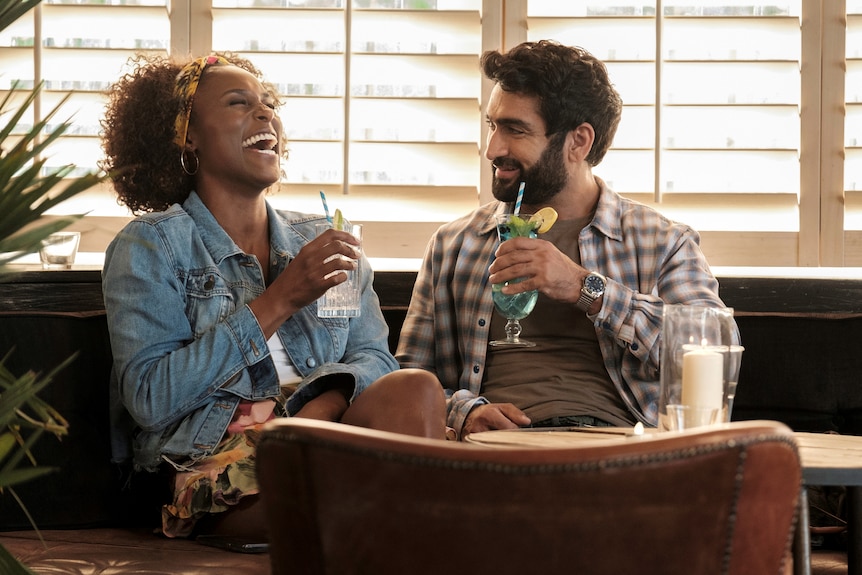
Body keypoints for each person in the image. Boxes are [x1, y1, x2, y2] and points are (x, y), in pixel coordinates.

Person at [99, 53, 446, 540]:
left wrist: (317, 413)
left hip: (329, 439)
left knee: (417, 389)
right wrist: (280, 299)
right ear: (188, 136)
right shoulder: (151, 245)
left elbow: (374, 359)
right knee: (373, 500)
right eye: (239, 103)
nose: (265, 115)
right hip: (219, 461)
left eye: (267, 104)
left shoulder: (324, 239)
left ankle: (387, 514)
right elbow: (152, 399)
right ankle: (407, 517)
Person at [396, 40, 735, 440]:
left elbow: (717, 351)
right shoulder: (454, 244)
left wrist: (584, 287)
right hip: (489, 454)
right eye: (493, 125)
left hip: (617, 450)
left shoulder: (662, 240)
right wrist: (464, 412)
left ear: (578, 142)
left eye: (515, 130)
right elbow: (408, 380)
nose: (492, 149)